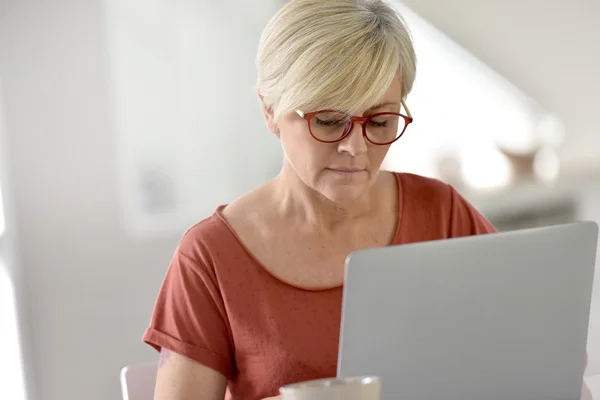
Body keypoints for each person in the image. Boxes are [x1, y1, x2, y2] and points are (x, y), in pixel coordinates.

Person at [142, 1, 591, 399]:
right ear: (269, 111)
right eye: (331, 121)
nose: (355, 148)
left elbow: (544, 358)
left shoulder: (442, 213)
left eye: (379, 122)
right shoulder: (211, 258)